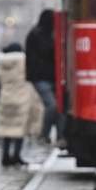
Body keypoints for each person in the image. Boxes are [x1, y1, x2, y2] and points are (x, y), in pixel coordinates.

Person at [0, 43, 44, 166]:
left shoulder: (1, 64)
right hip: (22, 97)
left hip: (5, 98)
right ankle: (16, 156)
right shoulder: (24, 62)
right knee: (19, 128)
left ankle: (5, 156)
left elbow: (0, 80)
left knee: (6, 129)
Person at [26, 10, 60, 145]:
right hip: (41, 77)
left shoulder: (42, 34)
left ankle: (58, 135)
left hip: (49, 77)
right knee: (52, 106)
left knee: (57, 108)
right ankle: (44, 134)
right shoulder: (37, 35)